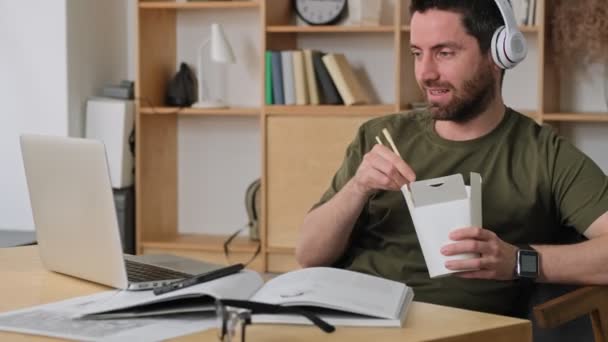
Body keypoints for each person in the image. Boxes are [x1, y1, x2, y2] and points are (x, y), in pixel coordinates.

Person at [295, 0, 608, 317]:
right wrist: (357, 187)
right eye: (417, 53)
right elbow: (308, 255)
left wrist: (518, 261)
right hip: (348, 314)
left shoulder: (544, 154)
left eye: (445, 53)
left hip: (451, 328)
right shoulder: (380, 136)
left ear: (498, 54)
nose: (426, 73)